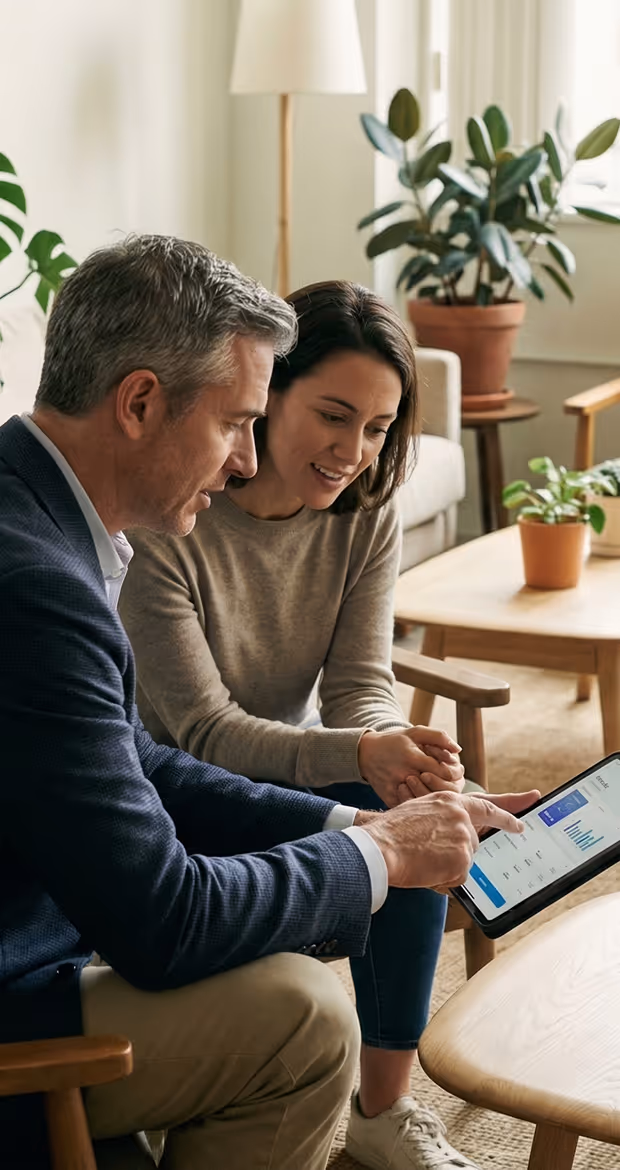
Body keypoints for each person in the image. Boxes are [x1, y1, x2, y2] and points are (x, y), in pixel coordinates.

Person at [0, 237, 536, 1170]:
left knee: (361, 876)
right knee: (304, 1018)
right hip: (21, 987)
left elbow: (141, 763)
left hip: (46, 917)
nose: (243, 457)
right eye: (237, 422)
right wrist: (375, 845)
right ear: (139, 403)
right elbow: (164, 920)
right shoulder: (39, 587)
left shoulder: (39, 519)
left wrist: (357, 817)